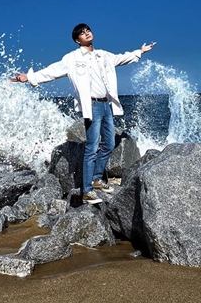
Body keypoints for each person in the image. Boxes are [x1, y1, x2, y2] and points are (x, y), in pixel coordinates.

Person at [11, 24, 156, 204]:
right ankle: (86, 191)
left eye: (87, 30)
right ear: (77, 40)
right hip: (92, 106)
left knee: (109, 144)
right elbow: (52, 71)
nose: (86, 33)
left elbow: (122, 58)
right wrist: (29, 78)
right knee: (92, 146)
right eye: (82, 33)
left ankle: (96, 180)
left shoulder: (103, 55)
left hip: (106, 105)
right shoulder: (72, 58)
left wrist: (140, 51)